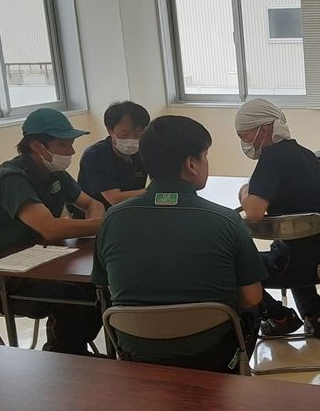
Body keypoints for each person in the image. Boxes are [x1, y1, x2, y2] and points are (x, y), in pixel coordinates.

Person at [92, 116, 266, 372]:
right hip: (210, 351)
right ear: (191, 164)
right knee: (253, 309)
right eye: (205, 156)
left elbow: (104, 285)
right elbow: (252, 296)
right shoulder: (226, 220)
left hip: (136, 350)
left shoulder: (113, 219)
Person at [0, 108, 105, 354]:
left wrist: (95, 220)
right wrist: (104, 224)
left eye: (71, 144)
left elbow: (92, 203)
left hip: (39, 264)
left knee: (100, 286)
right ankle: (65, 358)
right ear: (38, 146)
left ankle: (73, 355)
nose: (71, 152)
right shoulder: (11, 179)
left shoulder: (55, 174)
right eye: (63, 145)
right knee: (72, 296)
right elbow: (49, 229)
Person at [235, 99, 320, 338]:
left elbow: (254, 212)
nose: (244, 142)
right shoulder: (307, 155)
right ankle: (315, 317)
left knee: (231, 268)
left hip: (289, 264)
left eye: (244, 135)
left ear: (264, 129)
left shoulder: (271, 158)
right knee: (297, 239)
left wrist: (245, 192)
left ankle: (280, 316)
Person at [78, 101, 150, 210]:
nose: (132, 139)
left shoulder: (144, 151)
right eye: (124, 134)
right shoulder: (95, 156)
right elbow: (115, 199)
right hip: (98, 216)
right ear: (110, 130)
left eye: (138, 133)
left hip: (131, 210)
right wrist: (154, 191)